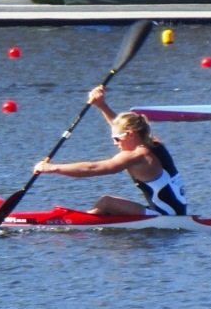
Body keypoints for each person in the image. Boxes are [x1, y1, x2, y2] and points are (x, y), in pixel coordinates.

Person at [32, 85, 188, 216]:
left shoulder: (136, 155)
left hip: (165, 215)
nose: (115, 143)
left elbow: (92, 168)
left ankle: (76, 226)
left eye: (117, 139)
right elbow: (119, 126)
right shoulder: (154, 143)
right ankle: (84, 221)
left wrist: (51, 168)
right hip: (175, 212)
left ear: (130, 135)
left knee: (106, 203)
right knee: (107, 204)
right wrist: (101, 105)